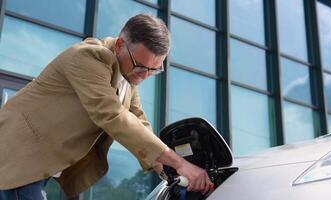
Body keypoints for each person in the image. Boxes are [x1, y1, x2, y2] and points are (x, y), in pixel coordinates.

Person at [0, 13, 213, 199]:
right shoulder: (88, 57)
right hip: (19, 154)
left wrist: (170, 172)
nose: (145, 75)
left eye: (154, 70)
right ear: (120, 45)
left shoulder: (128, 78)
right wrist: (180, 163)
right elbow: (113, 116)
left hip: (41, 166)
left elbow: (139, 124)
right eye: (141, 67)